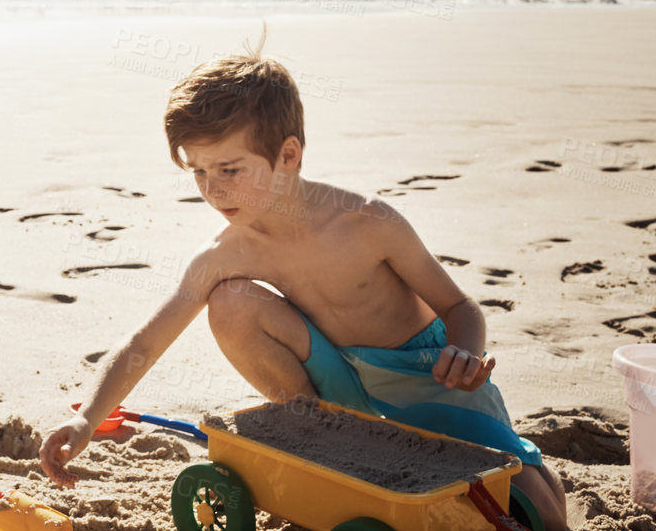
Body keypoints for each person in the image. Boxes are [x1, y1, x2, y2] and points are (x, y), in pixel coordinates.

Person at [36, 43, 568, 530]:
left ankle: (530, 472)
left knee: (538, 507)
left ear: (288, 156)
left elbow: (460, 306)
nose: (213, 189)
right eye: (198, 173)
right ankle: (320, 437)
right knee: (230, 301)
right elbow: (145, 343)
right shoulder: (228, 252)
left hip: (430, 379)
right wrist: (87, 417)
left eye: (229, 169)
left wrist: (464, 355)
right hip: (339, 383)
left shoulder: (366, 223)